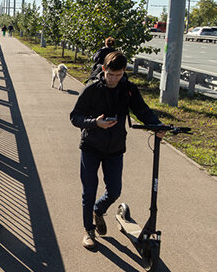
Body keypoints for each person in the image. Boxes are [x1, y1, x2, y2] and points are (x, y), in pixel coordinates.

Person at [69, 51, 163, 250]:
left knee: (114, 190)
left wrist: (157, 126)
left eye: (118, 75)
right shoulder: (92, 89)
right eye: (110, 74)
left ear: (123, 73)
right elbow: (75, 117)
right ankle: (88, 230)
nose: (113, 79)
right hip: (91, 147)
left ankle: (99, 209)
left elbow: (142, 110)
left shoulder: (127, 90)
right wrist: (95, 123)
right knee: (89, 191)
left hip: (115, 149)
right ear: (104, 69)